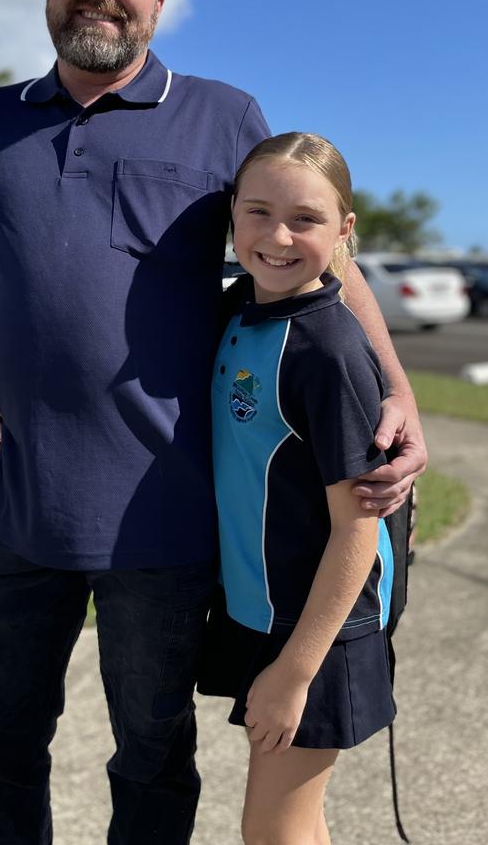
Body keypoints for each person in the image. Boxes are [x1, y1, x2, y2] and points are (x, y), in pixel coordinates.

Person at [0, 0, 426, 845]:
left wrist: (401, 387)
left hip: (166, 526)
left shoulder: (220, 117)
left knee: (154, 760)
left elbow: (320, 252)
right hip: (10, 512)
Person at [198, 132, 402, 845]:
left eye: (306, 220)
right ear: (231, 215)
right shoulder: (236, 313)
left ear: (345, 231)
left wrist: (295, 671)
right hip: (264, 614)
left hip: (319, 633)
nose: (277, 237)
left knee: (272, 832)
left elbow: (354, 529)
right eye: (257, 213)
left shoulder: (331, 350)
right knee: (298, 823)